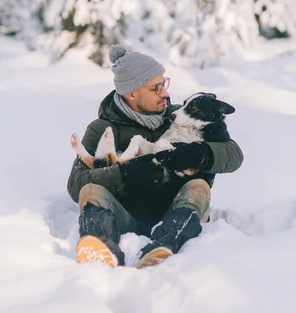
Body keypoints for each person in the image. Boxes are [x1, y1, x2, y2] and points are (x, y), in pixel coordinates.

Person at [67, 44, 244, 269]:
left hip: (174, 210)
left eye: (165, 84)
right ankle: (101, 248)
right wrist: (124, 174)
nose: (166, 93)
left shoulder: (180, 115)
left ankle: (165, 245)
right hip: (124, 215)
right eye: (156, 88)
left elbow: (234, 154)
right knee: (90, 190)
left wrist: (200, 153)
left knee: (199, 187)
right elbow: (76, 184)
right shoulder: (101, 128)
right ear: (132, 92)